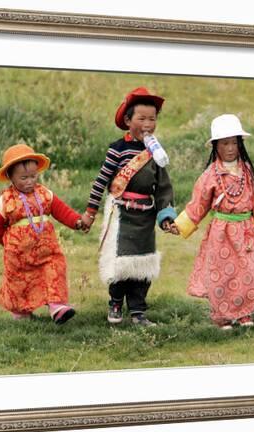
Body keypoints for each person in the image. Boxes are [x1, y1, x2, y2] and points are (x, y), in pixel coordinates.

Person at [81, 87, 177, 327]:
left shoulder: (155, 152)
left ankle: (138, 311)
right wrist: (90, 212)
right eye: (141, 118)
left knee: (143, 264)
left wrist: (165, 216)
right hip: (121, 215)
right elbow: (101, 181)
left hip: (145, 216)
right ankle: (115, 302)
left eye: (152, 119)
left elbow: (164, 187)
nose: (148, 123)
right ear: (127, 120)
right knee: (121, 263)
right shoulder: (117, 149)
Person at [172, 114, 254, 329]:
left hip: (246, 232)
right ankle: (222, 316)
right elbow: (198, 203)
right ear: (215, 146)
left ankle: (245, 312)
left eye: (234, 143)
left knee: (248, 272)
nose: (230, 148)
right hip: (222, 233)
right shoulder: (211, 175)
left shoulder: (247, 171)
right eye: (225, 143)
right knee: (223, 276)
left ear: (240, 144)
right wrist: (180, 224)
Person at [0, 144, 84, 324]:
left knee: (55, 270)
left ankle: (57, 306)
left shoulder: (45, 194)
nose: (30, 181)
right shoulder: (6, 200)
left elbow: (61, 211)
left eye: (33, 176)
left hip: (47, 250)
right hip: (19, 255)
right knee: (20, 282)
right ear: (10, 176)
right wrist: (8, 242)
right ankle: (22, 312)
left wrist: (77, 222)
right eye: (24, 178)